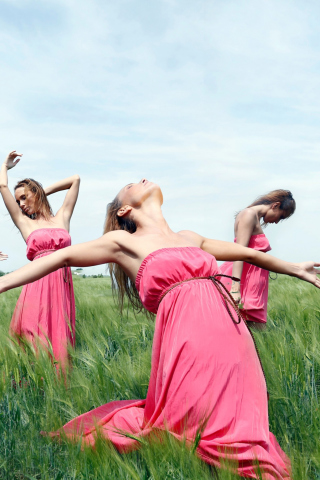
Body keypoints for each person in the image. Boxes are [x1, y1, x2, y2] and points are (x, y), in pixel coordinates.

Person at [0, 178, 318, 479]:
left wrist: (294, 268)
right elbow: (61, 257)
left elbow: (248, 253)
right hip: (186, 332)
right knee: (194, 416)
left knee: (241, 411)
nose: (140, 180)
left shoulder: (189, 237)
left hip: (231, 331)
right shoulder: (122, 241)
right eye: (130, 185)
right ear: (124, 210)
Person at [0, 150, 80, 370]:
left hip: (62, 285)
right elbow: (3, 187)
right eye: (18, 201)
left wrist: (43, 192)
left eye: (25, 197)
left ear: (36, 193)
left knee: (59, 337)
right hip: (37, 283)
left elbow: (75, 180)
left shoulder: (62, 217)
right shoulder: (25, 224)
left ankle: (56, 387)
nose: (22, 204)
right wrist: (5, 167)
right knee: (34, 336)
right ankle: (31, 385)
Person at [220, 190, 296, 324]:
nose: (277, 222)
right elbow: (239, 252)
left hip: (251, 283)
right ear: (275, 205)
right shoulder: (248, 215)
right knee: (252, 331)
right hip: (244, 281)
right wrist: (235, 289)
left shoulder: (252, 216)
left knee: (254, 332)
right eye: (281, 217)